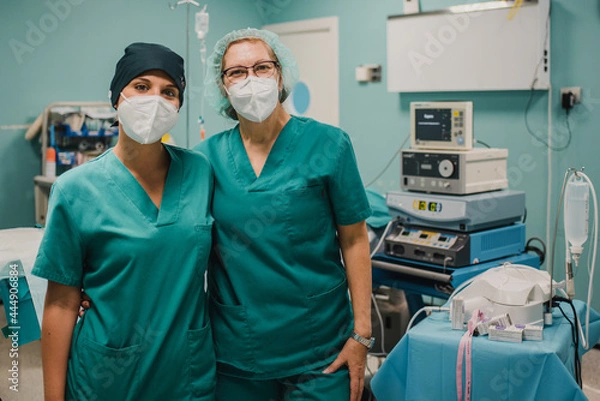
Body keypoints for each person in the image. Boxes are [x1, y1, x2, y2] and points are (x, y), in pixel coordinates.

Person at [195, 28, 373, 401]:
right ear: (222, 85)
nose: (251, 80)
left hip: (320, 346)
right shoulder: (206, 159)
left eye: (262, 67)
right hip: (239, 348)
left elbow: (354, 239)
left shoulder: (329, 145)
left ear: (280, 73)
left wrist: (362, 333)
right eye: (236, 73)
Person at [32, 42, 216, 401]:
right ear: (117, 98)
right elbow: (61, 303)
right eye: (142, 87)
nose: (155, 100)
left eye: (169, 92)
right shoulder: (75, 189)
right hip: (107, 376)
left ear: (178, 105)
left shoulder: (199, 172)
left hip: (186, 374)